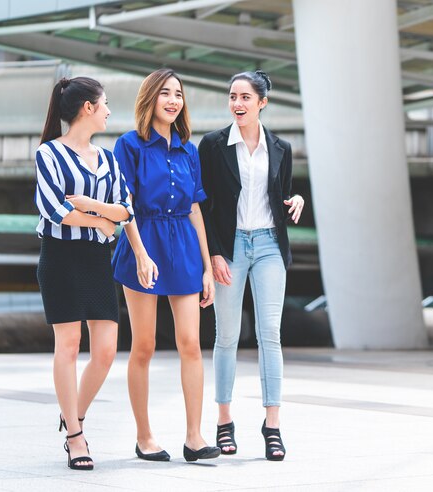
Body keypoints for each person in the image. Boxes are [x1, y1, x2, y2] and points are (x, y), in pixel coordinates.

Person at [111, 68, 220, 462]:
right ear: (150, 98)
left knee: (191, 343)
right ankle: (144, 437)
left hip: (185, 248)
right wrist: (141, 254)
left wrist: (207, 267)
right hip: (144, 244)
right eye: (166, 94)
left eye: (179, 94)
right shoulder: (129, 145)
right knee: (144, 345)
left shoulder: (189, 149)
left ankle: (194, 436)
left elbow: (194, 209)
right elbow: (124, 208)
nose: (174, 100)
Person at [198, 70, 304, 461]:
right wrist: (213, 254)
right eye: (232, 97)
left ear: (262, 102)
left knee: (269, 334)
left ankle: (272, 424)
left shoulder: (281, 147)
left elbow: (281, 193)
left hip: (269, 245)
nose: (237, 104)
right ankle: (224, 420)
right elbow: (204, 206)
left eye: (245, 97)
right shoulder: (212, 146)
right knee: (226, 336)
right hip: (230, 248)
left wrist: (296, 201)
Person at [35, 76, 133, 470]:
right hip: (59, 256)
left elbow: (125, 208)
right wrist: (100, 221)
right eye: (105, 103)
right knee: (70, 344)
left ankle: (72, 413)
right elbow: (54, 209)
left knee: (107, 350)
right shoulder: (48, 154)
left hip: (95, 261)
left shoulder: (108, 157)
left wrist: (95, 206)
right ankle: (76, 437)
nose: (109, 111)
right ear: (87, 108)